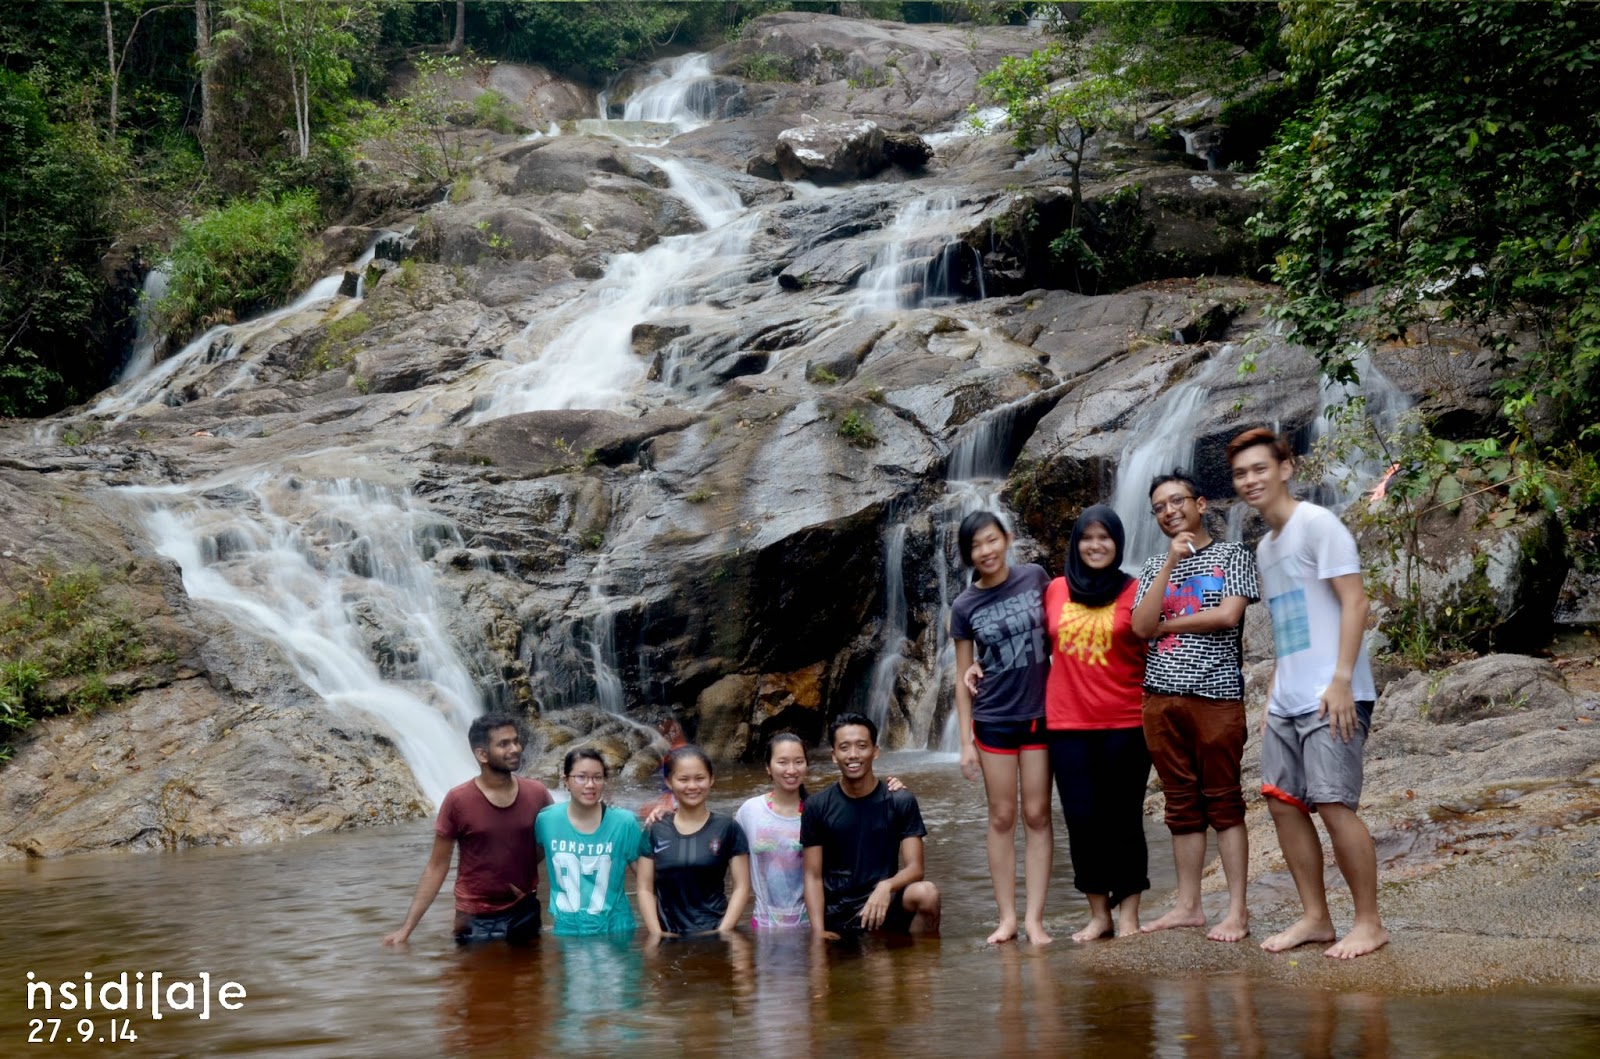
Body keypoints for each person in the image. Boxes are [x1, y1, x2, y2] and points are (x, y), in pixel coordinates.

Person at [1227, 427, 1389, 959]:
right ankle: (1316, 918)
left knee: (1334, 804)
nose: (1250, 480)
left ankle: (1368, 923)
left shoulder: (1319, 525)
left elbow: (1355, 603)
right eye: (1241, 473)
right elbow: (1288, 625)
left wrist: (1342, 680)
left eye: (1259, 469)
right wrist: (1274, 693)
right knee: (1283, 805)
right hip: (1288, 698)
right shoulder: (1266, 547)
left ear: (1285, 468)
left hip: (1332, 693)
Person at [1130, 470, 1260, 942]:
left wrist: (1170, 626)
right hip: (1160, 699)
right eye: (1160, 507)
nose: (1169, 511)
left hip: (1216, 694)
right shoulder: (1150, 568)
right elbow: (1141, 627)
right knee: (1180, 804)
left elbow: (1228, 614)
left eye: (1177, 501)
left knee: (1223, 801)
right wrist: (1168, 563)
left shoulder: (1233, 555)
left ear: (1200, 504)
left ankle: (1238, 912)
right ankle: (1188, 906)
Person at [1044, 505, 1151, 940]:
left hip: (1126, 723)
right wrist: (977, 667)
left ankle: (1128, 913)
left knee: (1124, 818)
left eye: (1104, 537)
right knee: (1082, 819)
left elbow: (1156, 649)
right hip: (1067, 726)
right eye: (1087, 537)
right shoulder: (1053, 589)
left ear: (1118, 543)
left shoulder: (1137, 590)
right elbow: (1022, 644)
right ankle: (1098, 914)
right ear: (1076, 543)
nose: (1095, 545)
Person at [948, 510, 1054, 945]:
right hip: (993, 718)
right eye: (976, 546)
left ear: (1007, 539)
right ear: (968, 554)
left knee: (1037, 814)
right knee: (1002, 816)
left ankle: (1034, 919)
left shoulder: (1036, 578)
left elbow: (1064, 628)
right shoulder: (964, 605)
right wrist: (965, 742)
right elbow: (960, 676)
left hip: (1039, 713)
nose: (986, 551)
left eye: (991, 541)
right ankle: (1007, 918)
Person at [383, 713, 554, 945]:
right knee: (476, 980)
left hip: (524, 911)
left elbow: (555, 844)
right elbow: (437, 866)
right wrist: (406, 929)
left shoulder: (537, 793)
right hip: (474, 916)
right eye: (504, 744)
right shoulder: (458, 800)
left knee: (529, 980)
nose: (515, 748)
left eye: (516, 741)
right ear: (482, 754)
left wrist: (523, 874)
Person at [801, 713, 941, 938]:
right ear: (834, 755)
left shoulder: (899, 800)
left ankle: (919, 966)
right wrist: (818, 932)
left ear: (875, 751)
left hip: (885, 904)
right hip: (839, 913)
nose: (853, 755)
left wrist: (885, 886)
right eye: (844, 748)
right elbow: (812, 875)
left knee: (927, 893)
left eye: (862, 746)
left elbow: (916, 868)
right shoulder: (816, 806)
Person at [637, 745, 751, 939]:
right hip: (668, 934)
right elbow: (644, 888)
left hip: (715, 932)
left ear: (711, 779)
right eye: (683, 779)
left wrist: (724, 930)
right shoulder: (655, 829)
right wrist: (657, 933)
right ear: (669, 782)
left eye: (700, 778)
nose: (692, 786)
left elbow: (742, 887)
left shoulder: (727, 827)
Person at [534, 747, 646, 937]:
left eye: (597, 777)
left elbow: (647, 879)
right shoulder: (547, 820)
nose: (590, 785)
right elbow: (527, 862)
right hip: (567, 932)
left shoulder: (624, 822)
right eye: (581, 777)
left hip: (616, 930)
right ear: (566, 781)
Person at [735, 733, 812, 931]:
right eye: (782, 762)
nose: (791, 770)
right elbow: (717, 839)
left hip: (810, 925)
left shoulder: (816, 811)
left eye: (798, 762)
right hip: (764, 925)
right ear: (768, 767)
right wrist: (672, 814)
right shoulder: (750, 811)